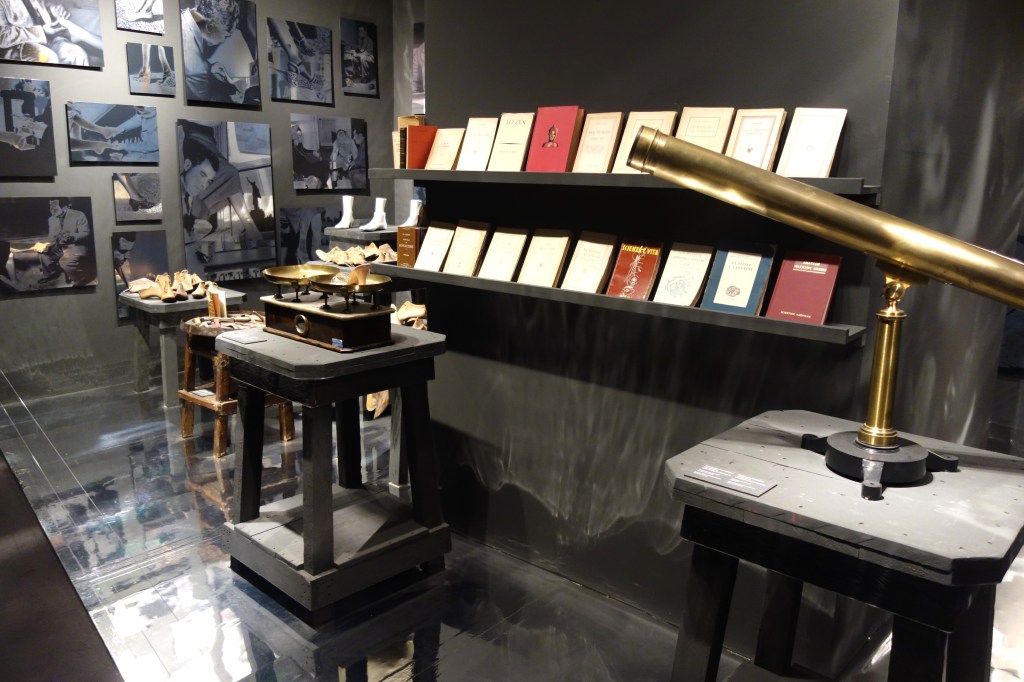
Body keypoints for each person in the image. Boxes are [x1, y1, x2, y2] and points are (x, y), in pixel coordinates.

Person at [178, 125, 263, 270]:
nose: (204, 184)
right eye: (203, 176)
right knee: (229, 175)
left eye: (208, 181)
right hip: (195, 136)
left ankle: (251, 233)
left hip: (207, 139)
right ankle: (252, 233)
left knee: (223, 180)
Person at [0, 0, 99, 65]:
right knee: (49, 58)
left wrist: (53, 8)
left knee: (78, 53)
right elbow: (3, 36)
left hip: (48, 40)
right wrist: (42, 31)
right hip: (19, 48)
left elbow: (39, 6)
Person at [40, 198, 94, 285]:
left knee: (65, 262)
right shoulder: (51, 219)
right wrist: (45, 243)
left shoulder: (79, 215)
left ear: (65, 207)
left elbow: (86, 233)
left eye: (55, 209)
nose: (52, 212)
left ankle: (79, 279)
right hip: (60, 246)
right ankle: (51, 274)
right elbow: (51, 236)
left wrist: (72, 236)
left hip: (76, 246)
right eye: (51, 209)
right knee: (43, 253)